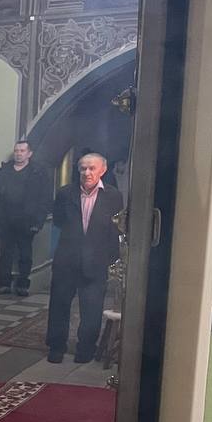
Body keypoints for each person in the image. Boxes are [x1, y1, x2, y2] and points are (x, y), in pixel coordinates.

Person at [46, 152, 123, 363]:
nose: (87, 173)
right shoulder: (65, 193)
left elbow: (115, 229)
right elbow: (59, 221)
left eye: (92, 168)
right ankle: (56, 347)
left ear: (102, 170)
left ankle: (86, 349)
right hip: (66, 261)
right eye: (83, 168)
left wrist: (109, 258)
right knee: (59, 306)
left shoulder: (113, 196)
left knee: (92, 309)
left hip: (96, 261)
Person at [0, 139, 53, 296]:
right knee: (5, 254)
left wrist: (38, 221)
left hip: (27, 221)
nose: (18, 154)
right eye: (16, 151)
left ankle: (23, 285)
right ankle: (4, 284)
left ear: (29, 153)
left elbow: (44, 198)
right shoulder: (5, 171)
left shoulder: (37, 172)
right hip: (5, 220)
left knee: (25, 254)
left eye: (22, 151)